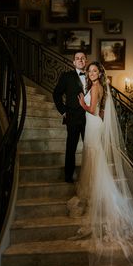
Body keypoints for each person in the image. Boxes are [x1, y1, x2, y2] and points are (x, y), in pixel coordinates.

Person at [67, 61, 133, 266]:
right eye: (89, 71)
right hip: (96, 123)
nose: (91, 73)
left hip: (92, 122)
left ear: (99, 73)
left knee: (93, 155)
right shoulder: (100, 87)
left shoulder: (94, 88)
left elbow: (92, 109)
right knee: (94, 156)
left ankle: (100, 194)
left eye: (94, 71)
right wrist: (91, 107)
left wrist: (82, 103)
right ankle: (96, 191)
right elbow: (100, 110)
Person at [53, 50, 87, 183]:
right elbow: (56, 94)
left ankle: (89, 175)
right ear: (74, 62)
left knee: (90, 148)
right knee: (71, 148)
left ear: (86, 61)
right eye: (77, 58)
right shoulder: (66, 76)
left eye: (83, 58)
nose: (80, 60)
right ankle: (68, 176)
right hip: (72, 117)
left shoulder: (92, 76)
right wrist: (63, 111)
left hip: (89, 118)